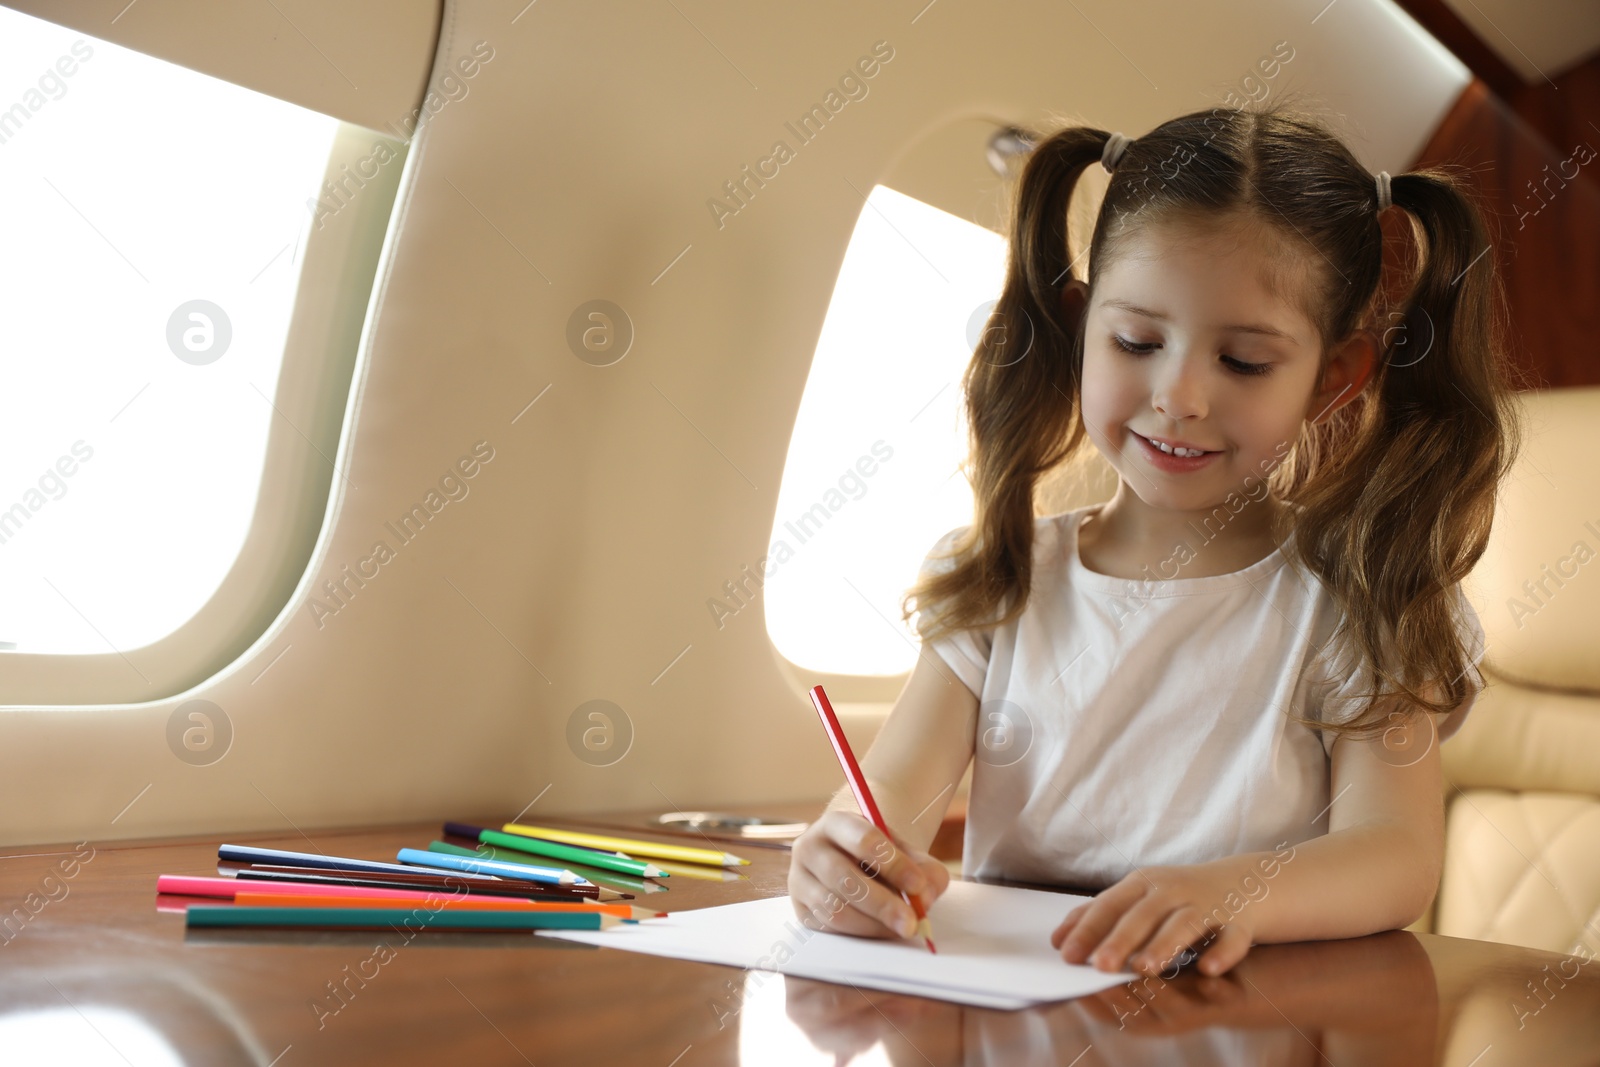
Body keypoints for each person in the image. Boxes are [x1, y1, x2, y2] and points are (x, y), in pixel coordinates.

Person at [787, 104, 1520, 978]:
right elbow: (891, 802)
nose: (1180, 396)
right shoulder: (997, 576)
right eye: (1137, 340)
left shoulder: (1360, 602)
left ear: (1333, 379)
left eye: (1244, 362)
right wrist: (844, 861)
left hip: (1232, 1010)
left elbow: (1395, 856)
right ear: (1080, 327)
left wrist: (1232, 893)